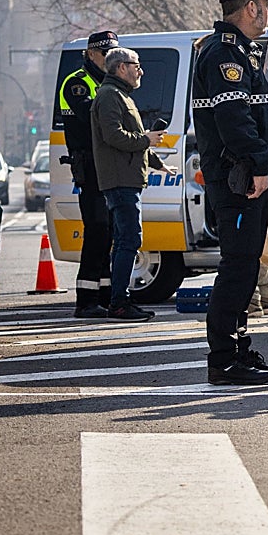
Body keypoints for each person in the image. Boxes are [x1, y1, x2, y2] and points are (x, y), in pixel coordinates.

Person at [192, 0, 268, 386]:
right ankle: (223, 359)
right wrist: (259, 165)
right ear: (250, 8)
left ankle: (238, 349)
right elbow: (234, 120)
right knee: (236, 269)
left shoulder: (236, 51)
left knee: (247, 267)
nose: (267, 14)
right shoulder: (224, 54)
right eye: (264, 6)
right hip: (240, 180)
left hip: (245, 177)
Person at [90, 47, 171, 322]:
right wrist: (147, 140)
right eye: (136, 65)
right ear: (121, 67)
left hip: (129, 178)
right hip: (120, 180)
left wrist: (158, 163)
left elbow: (136, 137)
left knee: (129, 239)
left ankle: (121, 300)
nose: (141, 70)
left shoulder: (121, 95)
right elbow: (115, 136)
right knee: (128, 240)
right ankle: (120, 303)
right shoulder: (110, 96)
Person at [58, 30, 119, 318]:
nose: (111, 58)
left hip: (108, 165)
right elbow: (93, 117)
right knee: (96, 230)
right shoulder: (78, 83)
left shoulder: (108, 84)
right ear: (91, 54)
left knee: (108, 231)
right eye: (106, 53)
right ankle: (85, 299)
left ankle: (105, 294)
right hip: (90, 166)